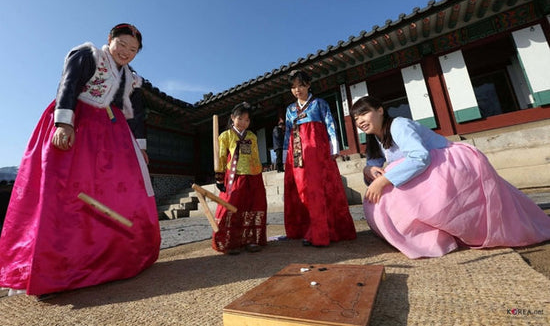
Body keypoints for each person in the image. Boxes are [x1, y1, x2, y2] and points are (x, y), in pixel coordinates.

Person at [0, 23, 161, 297]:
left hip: (112, 133)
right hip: (79, 123)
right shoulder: (88, 55)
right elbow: (69, 84)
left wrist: (140, 147)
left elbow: (136, 114)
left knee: (116, 194)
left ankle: (115, 259)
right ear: (109, 40)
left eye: (132, 50)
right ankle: (55, 269)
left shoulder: (131, 78)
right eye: (121, 44)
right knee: (64, 193)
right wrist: (65, 123)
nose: (126, 52)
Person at [351, 95, 550, 259]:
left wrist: (384, 180)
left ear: (380, 110)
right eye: (355, 118)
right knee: (381, 192)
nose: (359, 121)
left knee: (391, 190)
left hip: (447, 163)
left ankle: (431, 238)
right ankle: (429, 235)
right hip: (427, 169)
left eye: (364, 113)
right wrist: (368, 171)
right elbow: (374, 166)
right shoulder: (374, 139)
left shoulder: (399, 125)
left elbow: (420, 156)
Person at [283, 70, 356, 247]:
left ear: (308, 85)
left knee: (318, 189)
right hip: (298, 154)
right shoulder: (290, 109)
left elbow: (331, 124)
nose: (297, 90)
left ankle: (321, 231)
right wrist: (286, 156)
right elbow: (287, 133)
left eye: (300, 85)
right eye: (293, 87)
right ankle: (304, 229)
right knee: (302, 190)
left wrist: (334, 147)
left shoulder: (319, 104)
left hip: (317, 152)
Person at [213, 102, 267, 254]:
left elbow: (255, 156)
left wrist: (258, 173)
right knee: (232, 208)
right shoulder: (226, 136)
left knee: (254, 207)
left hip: (254, 176)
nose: (243, 123)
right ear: (232, 118)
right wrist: (219, 178)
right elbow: (222, 157)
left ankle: (251, 240)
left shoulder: (252, 136)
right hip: (235, 177)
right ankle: (229, 242)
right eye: (240, 119)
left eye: (247, 120)